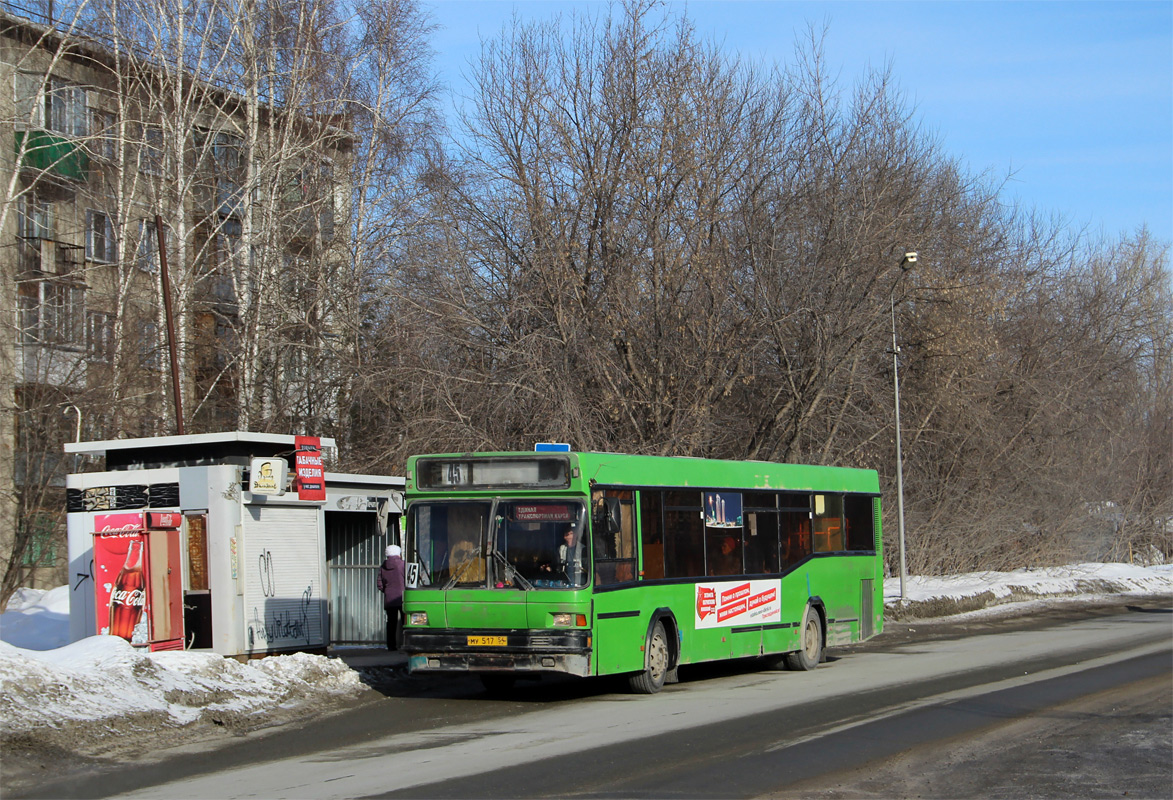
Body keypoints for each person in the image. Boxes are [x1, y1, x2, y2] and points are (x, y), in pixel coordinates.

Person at [377, 544, 406, 650]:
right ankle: (405, 644)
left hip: (389, 599)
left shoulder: (383, 567)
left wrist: (387, 591)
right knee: (405, 622)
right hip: (403, 598)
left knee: (391, 623)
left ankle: (391, 646)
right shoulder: (403, 565)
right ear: (399, 553)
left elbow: (379, 584)